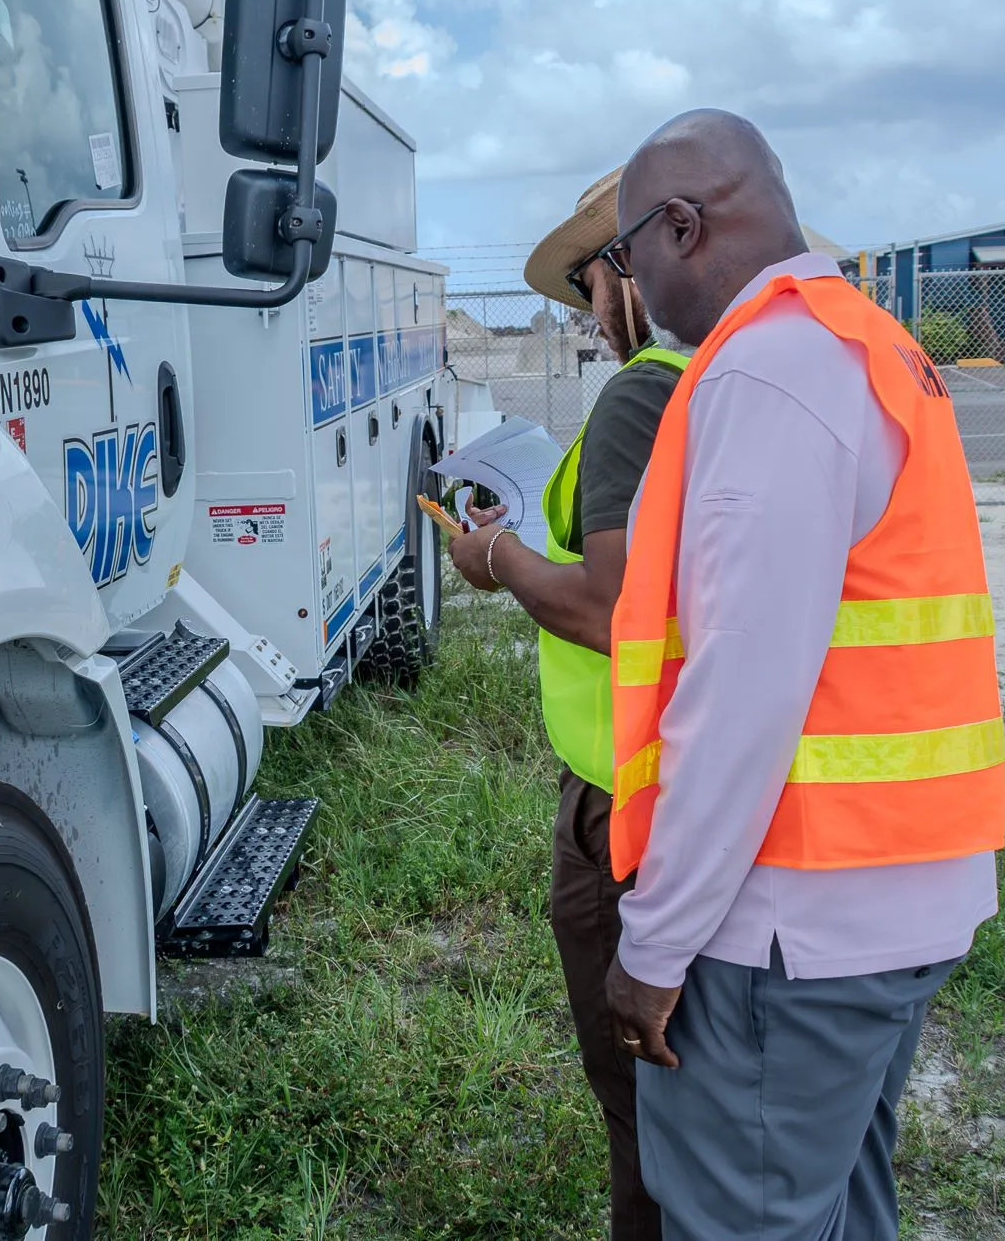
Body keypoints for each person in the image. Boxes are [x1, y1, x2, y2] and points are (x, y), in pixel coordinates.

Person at [598, 110, 1005, 1241]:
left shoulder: (766, 370)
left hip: (787, 922)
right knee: (833, 1202)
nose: (630, 290)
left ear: (679, 227)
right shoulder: (864, 346)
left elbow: (740, 697)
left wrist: (654, 942)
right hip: (885, 898)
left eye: (629, 257)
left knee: (745, 1216)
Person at [446, 167, 685, 1241]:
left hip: (621, 794)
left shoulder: (643, 387)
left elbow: (607, 611)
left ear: (631, 265)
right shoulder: (727, 376)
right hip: (689, 777)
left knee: (637, 1098)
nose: (584, 314)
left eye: (586, 283)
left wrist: (494, 553)